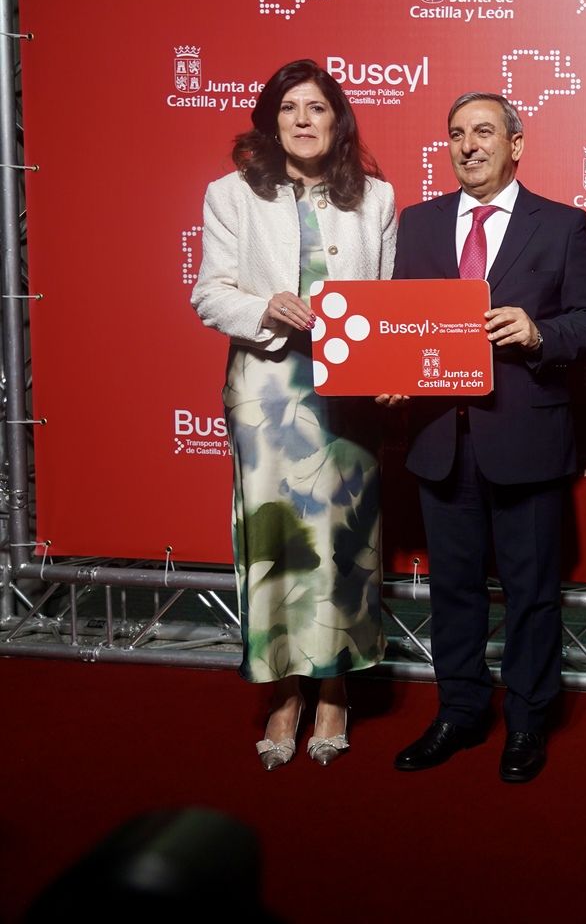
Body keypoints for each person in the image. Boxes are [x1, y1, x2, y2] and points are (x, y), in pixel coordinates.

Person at [384, 92, 586, 782]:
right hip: (440, 438)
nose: (468, 145)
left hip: (525, 438)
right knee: (453, 589)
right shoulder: (418, 223)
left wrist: (539, 334)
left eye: (483, 132)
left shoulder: (562, 224)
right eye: (456, 134)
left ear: (516, 144)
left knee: (531, 591)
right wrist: (388, 372)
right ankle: (459, 711)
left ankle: (529, 720)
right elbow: (399, 322)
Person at [190, 59, 394, 770]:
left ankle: (335, 688)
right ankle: (283, 692)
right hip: (268, 388)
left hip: (350, 390)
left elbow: (389, 298)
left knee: (345, 539)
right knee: (275, 540)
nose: (304, 120)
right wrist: (264, 306)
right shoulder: (230, 194)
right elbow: (209, 292)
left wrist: (391, 369)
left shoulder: (376, 197)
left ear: (338, 121)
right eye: (289, 108)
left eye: (317, 107)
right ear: (271, 123)